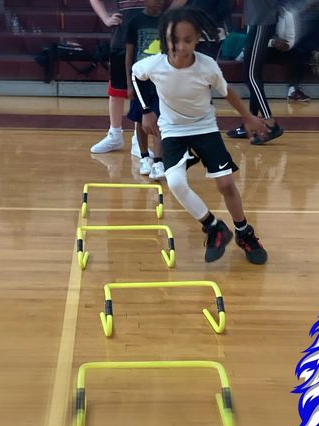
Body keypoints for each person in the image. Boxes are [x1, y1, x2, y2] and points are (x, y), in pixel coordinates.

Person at [132, 6, 269, 264]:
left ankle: (243, 233)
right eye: (174, 40)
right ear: (164, 39)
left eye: (187, 40)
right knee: (175, 183)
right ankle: (213, 226)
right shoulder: (153, 65)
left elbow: (226, 91)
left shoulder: (207, 66)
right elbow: (136, 75)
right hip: (172, 130)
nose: (180, 47)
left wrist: (248, 117)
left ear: (197, 39)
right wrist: (146, 111)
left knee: (226, 184)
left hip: (204, 127)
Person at [89, 0, 149, 156]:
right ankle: (114, 135)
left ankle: (139, 138)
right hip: (120, 38)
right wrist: (105, 18)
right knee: (116, 92)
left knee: (141, 92)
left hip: (147, 39)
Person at [226, 0, 284, 145]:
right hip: (256, 20)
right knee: (250, 74)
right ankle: (251, 124)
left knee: (251, 76)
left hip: (263, 21)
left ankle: (270, 122)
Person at [125, 0, 165, 179]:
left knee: (158, 119)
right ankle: (144, 157)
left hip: (160, 80)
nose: (158, 2)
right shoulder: (135, 22)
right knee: (140, 120)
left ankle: (158, 161)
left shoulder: (166, 21)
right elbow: (129, 54)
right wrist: (129, 83)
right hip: (140, 80)